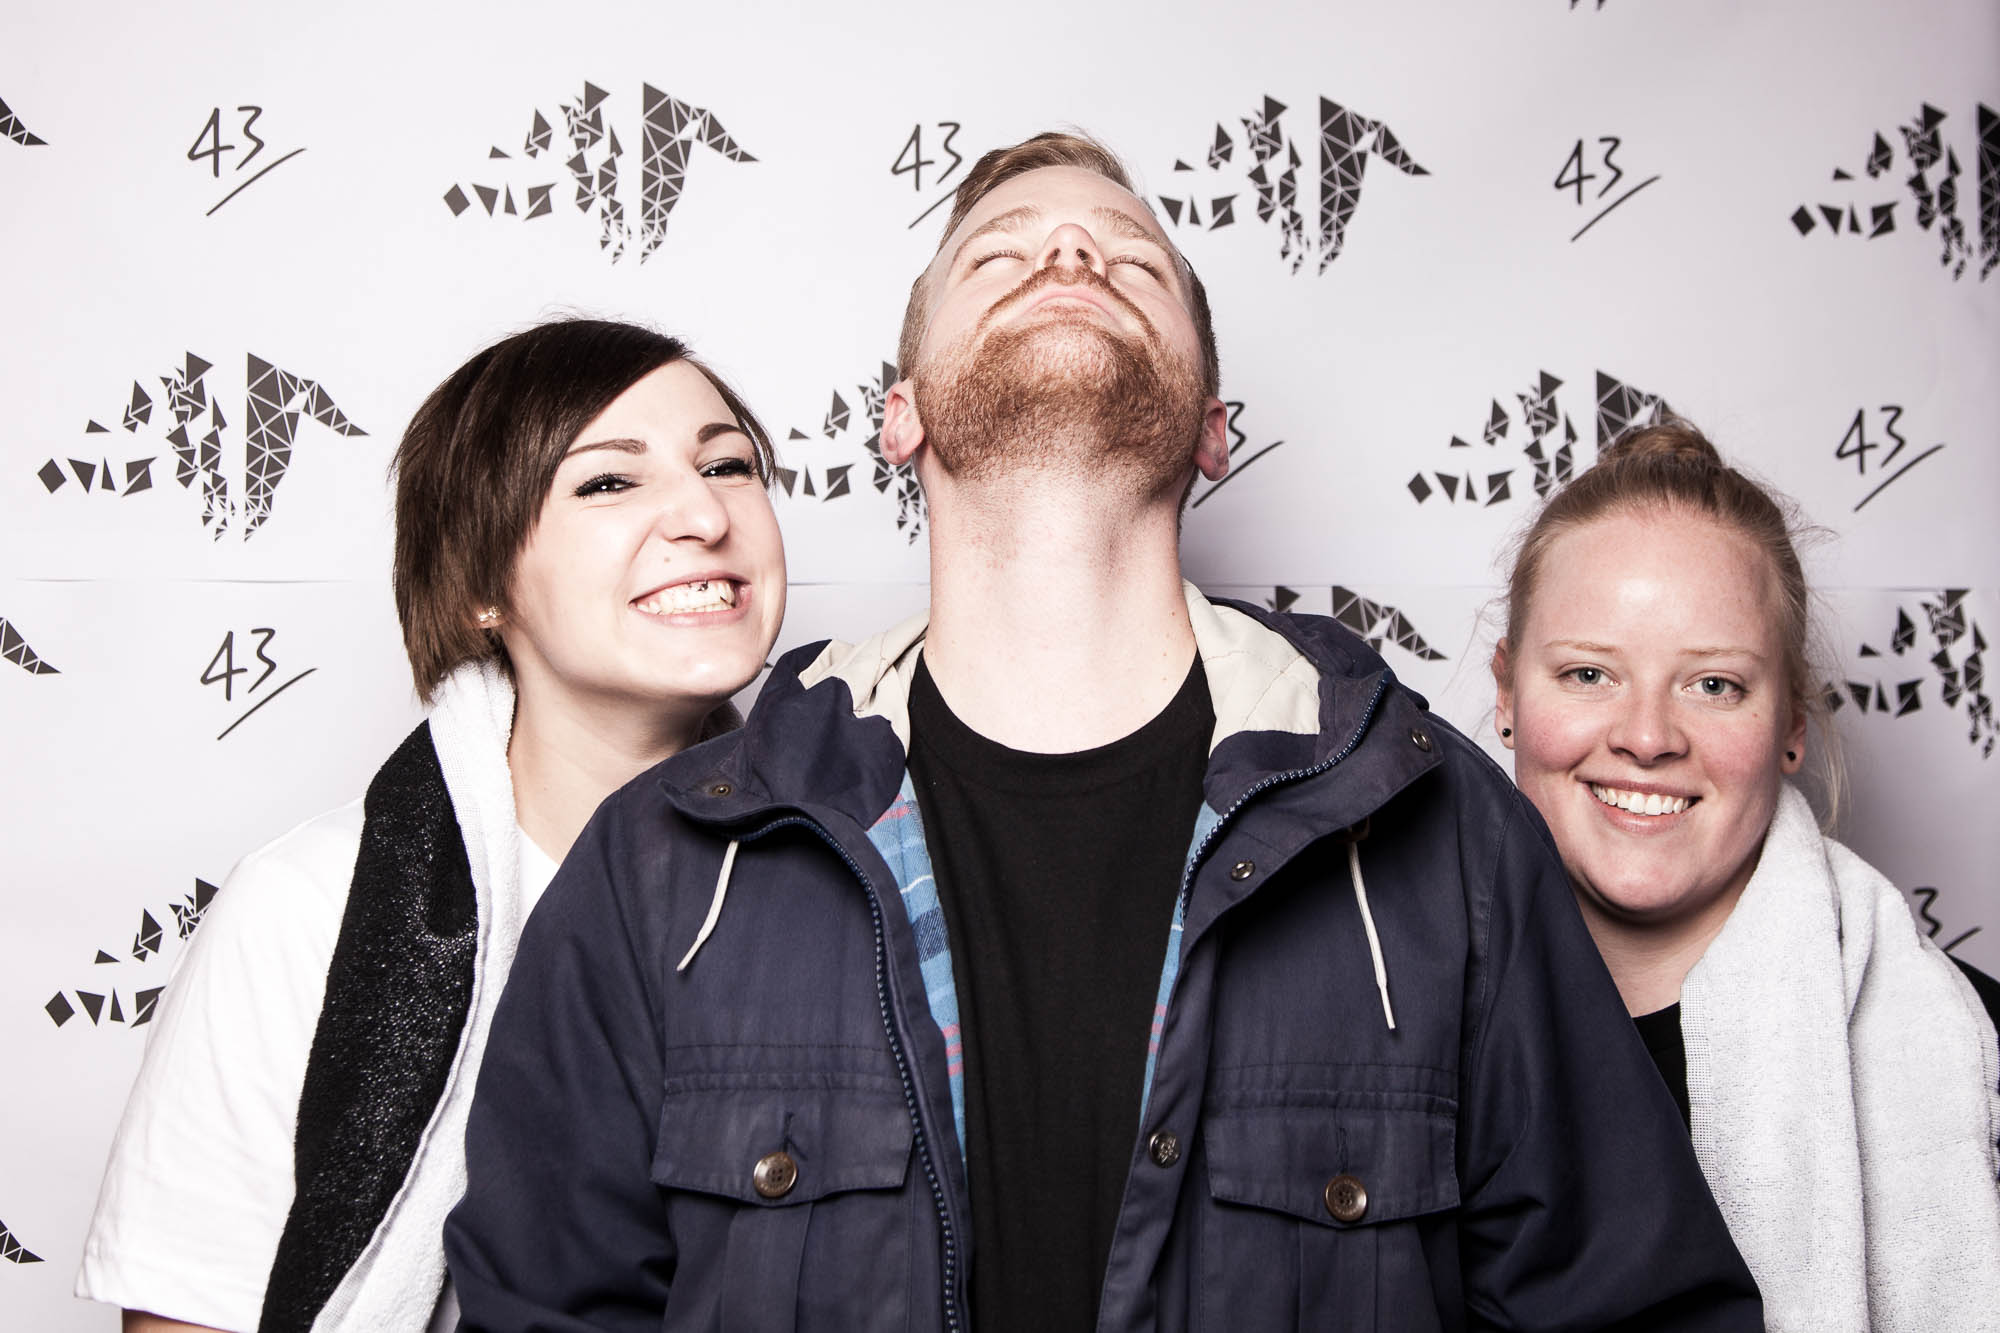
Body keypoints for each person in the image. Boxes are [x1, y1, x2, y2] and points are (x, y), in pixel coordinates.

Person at [446, 134, 1760, 1330]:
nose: (1071, 256)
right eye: (998, 258)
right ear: (901, 414)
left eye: (1131, 259)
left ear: (1213, 430)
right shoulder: (669, 864)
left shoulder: (1443, 837)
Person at [75, 317, 786, 1333]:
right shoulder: (308, 908)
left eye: (726, 465)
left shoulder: (859, 879)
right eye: (607, 481)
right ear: (484, 584)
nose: (705, 515)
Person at [1490, 419, 2000, 1331]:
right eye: (1590, 673)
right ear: (1507, 695)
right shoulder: (1397, 1037)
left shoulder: (1972, 1054)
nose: (1648, 737)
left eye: (1714, 684)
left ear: (1791, 722)